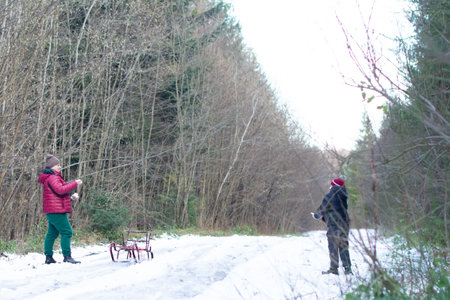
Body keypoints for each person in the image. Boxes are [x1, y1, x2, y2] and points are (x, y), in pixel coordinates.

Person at [38, 154, 83, 264]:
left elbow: (57, 194)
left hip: (52, 210)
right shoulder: (53, 177)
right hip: (56, 211)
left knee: (52, 234)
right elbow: (60, 190)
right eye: (58, 165)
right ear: (52, 166)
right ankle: (67, 257)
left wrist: (70, 197)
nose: (60, 167)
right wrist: (75, 183)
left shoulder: (52, 177)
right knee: (67, 232)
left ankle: (48, 257)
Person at [312, 177, 352, 275]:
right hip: (344, 224)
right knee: (343, 246)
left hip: (334, 225)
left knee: (333, 246)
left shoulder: (331, 194)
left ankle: (333, 269)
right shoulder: (344, 195)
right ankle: (347, 269)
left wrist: (316, 215)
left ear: (334, 185)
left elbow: (323, 207)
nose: (330, 186)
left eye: (331, 184)